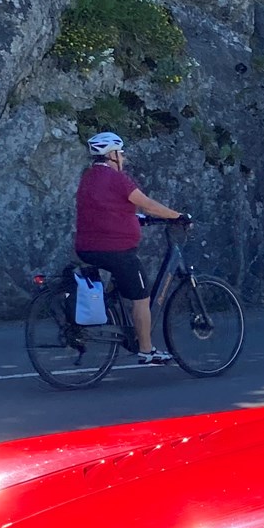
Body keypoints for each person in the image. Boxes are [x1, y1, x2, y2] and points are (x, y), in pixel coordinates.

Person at [74, 131, 185, 365]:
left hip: (86, 247)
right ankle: (146, 350)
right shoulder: (118, 179)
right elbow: (147, 203)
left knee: (122, 282)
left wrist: (137, 219)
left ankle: (120, 321)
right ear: (112, 154)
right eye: (121, 154)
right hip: (115, 250)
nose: (122, 159)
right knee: (142, 297)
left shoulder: (88, 177)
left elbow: (107, 208)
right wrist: (177, 216)